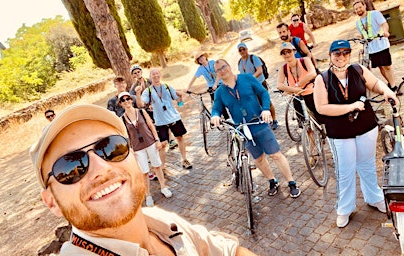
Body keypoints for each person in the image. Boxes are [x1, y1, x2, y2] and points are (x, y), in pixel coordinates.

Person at [29, 104, 256, 255]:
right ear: (51, 202)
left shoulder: (156, 219)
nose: (101, 168)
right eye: (70, 166)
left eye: (111, 147)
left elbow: (229, 251)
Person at [313, 40, 399, 228]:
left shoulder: (358, 69)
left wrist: (386, 91)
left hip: (366, 127)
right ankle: (345, 208)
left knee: (367, 164)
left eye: (345, 53)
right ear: (330, 55)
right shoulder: (323, 79)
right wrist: (350, 106)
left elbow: (375, 83)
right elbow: (321, 108)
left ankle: (374, 198)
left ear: (349, 55)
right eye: (337, 53)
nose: (341, 57)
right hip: (340, 133)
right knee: (345, 171)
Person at [211, 59, 302, 198]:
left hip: (259, 122)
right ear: (216, 73)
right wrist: (215, 116)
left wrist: (266, 109)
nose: (222, 70)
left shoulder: (247, 78)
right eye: (218, 70)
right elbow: (216, 108)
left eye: (224, 67)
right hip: (243, 129)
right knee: (258, 159)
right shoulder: (220, 93)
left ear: (229, 66)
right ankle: (272, 181)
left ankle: (291, 182)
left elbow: (263, 93)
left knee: (275, 154)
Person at [118, 92, 172, 207]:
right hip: (137, 148)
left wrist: (157, 140)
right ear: (120, 103)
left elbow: (151, 125)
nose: (126, 101)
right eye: (123, 100)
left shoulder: (141, 112)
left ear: (131, 100)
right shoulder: (122, 119)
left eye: (128, 99)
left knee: (157, 166)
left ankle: (163, 187)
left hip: (150, 142)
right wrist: (130, 149)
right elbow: (124, 136)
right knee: (144, 172)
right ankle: (148, 195)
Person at [140, 68, 193, 170]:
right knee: (162, 145)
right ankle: (162, 167)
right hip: (160, 122)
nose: (155, 76)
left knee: (180, 138)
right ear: (150, 77)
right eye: (153, 74)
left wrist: (181, 97)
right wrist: (138, 94)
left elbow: (179, 103)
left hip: (174, 118)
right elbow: (142, 103)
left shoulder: (168, 87)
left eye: (157, 73)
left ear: (160, 75)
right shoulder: (148, 91)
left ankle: (185, 159)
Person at [131, 65, 179, 150]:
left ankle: (170, 140)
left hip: (156, 105)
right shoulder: (134, 86)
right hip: (144, 109)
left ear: (141, 72)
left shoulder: (149, 80)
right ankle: (159, 141)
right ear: (133, 75)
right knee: (152, 125)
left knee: (163, 121)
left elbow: (157, 89)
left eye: (138, 72)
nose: (137, 74)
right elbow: (133, 98)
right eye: (135, 73)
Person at [353, 0, 396, 88]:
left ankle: (394, 86)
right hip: (371, 49)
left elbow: (384, 24)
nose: (358, 10)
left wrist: (385, 31)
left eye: (360, 7)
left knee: (387, 66)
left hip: (382, 45)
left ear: (364, 6)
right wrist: (362, 47)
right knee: (380, 67)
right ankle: (390, 83)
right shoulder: (358, 22)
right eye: (356, 9)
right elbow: (362, 35)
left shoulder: (375, 14)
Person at [236, 42, 278, 130]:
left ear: (247, 49)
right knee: (256, 104)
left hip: (260, 83)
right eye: (240, 50)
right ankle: (264, 122)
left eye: (243, 49)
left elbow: (260, 71)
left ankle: (274, 120)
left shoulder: (253, 58)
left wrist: (251, 79)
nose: (242, 51)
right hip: (249, 87)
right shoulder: (240, 62)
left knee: (267, 103)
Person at [276, 42, 320, 124]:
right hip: (297, 97)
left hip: (311, 94)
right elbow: (279, 85)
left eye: (289, 51)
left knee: (321, 119)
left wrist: (297, 85)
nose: (287, 55)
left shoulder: (305, 60)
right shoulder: (283, 68)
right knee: (304, 124)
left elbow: (312, 73)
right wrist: (294, 90)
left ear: (294, 51)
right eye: (284, 53)